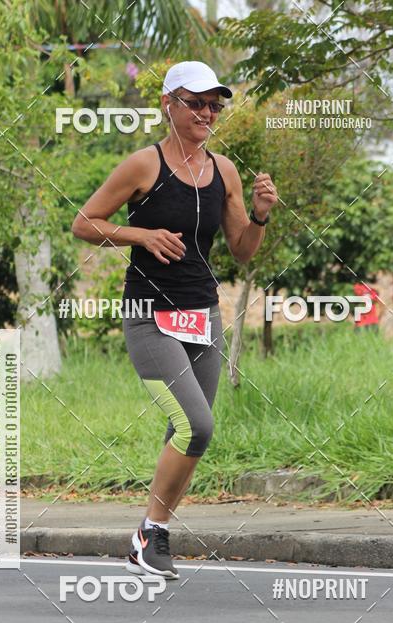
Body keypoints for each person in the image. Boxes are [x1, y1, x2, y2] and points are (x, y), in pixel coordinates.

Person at [72, 60, 278, 578]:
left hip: (203, 314)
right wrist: (141, 235)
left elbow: (242, 252)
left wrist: (259, 216)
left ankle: (151, 535)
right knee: (196, 424)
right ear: (169, 104)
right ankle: (150, 535)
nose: (208, 112)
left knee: (187, 430)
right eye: (197, 102)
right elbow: (84, 222)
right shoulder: (144, 165)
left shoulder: (224, 171)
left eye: (215, 104)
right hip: (149, 316)